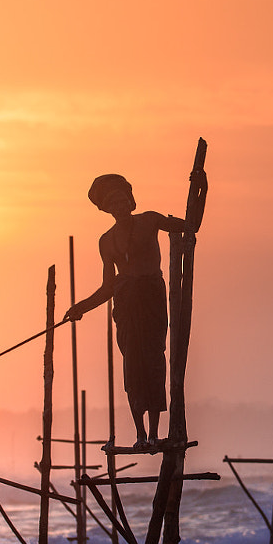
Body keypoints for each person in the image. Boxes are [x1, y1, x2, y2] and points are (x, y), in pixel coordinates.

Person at [65, 173, 184, 450]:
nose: (119, 207)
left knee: (154, 361)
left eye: (122, 200)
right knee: (132, 368)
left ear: (131, 201)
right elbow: (107, 287)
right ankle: (140, 435)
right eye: (112, 204)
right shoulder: (106, 241)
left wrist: (200, 186)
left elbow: (190, 227)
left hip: (151, 300)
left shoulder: (150, 220)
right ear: (107, 210)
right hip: (126, 305)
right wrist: (80, 307)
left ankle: (154, 433)